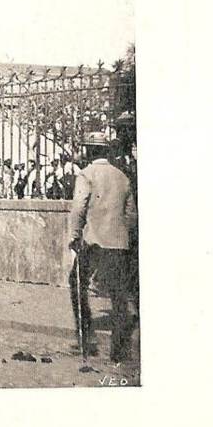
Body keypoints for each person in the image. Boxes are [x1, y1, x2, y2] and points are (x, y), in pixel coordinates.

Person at [69, 131, 139, 363]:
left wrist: (75, 234)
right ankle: (118, 350)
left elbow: (79, 207)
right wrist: (120, 233)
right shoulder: (122, 176)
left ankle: (86, 339)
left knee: (77, 284)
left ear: (89, 151)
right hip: (118, 244)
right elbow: (131, 215)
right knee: (118, 295)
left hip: (93, 241)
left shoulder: (86, 174)